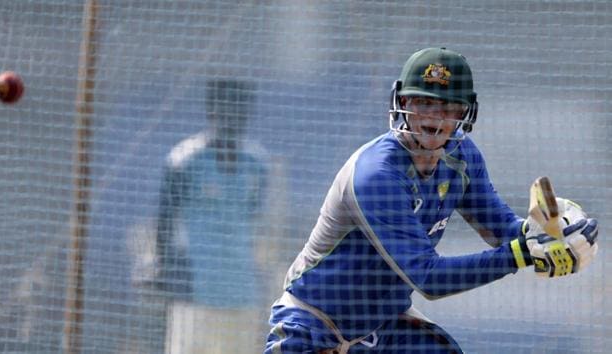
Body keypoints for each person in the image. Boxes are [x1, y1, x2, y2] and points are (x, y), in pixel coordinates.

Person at [264, 47, 599, 353]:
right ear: (403, 104)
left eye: (448, 107)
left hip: (383, 326)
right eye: (424, 103)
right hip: (313, 323)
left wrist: (551, 235)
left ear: (466, 112)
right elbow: (429, 278)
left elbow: (502, 230)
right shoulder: (377, 174)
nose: (435, 119)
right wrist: (521, 254)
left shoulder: (463, 158)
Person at [155, 78, 269, 354]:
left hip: (241, 292)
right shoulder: (184, 161)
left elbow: (255, 217)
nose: (233, 116)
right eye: (226, 108)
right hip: (193, 292)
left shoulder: (257, 164)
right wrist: (168, 269)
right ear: (212, 111)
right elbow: (165, 222)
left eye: (241, 109)